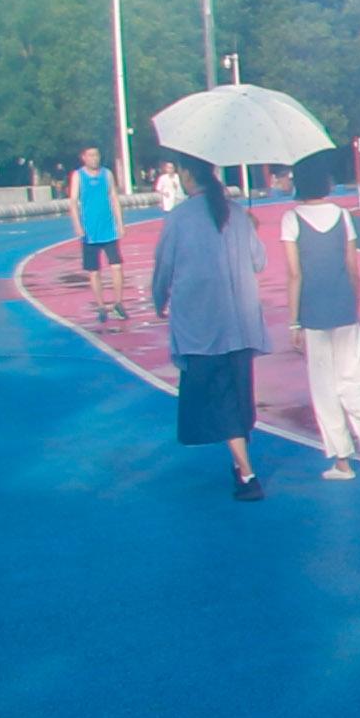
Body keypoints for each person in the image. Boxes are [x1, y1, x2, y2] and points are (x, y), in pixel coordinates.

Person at [145, 161, 282, 501]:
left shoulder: (179, 218)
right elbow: (259, 262)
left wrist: (158, 298)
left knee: (222, 401)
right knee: (236, 395)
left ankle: (248, 475)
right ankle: (240, 467)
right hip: (239, 322)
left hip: (203, 323)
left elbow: (164, 265)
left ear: (189, 177)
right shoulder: (235, 214)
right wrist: (251, 227)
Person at [282, 148, 360, 476]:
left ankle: (342, 461)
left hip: (313, 315)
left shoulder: (292, 219)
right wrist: (353, 305)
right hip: (345, 310)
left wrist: (294, 321)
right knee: (354, 380)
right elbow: (353, 268)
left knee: (325, 388)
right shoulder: (343, 216)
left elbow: (295, 274)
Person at [70, 148, 123, 320]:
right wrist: (77, 225)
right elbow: (73, 201)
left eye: (97, 155)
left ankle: (118, 302)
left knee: (117, 266)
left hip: (108, 229)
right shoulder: (78, 176)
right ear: (84, 157)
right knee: (94, 271)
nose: (94, 158)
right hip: (90, 231)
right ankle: (101, 306)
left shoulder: (107, 174)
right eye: (91, 155)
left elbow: (114, 198)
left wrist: (120, 223)